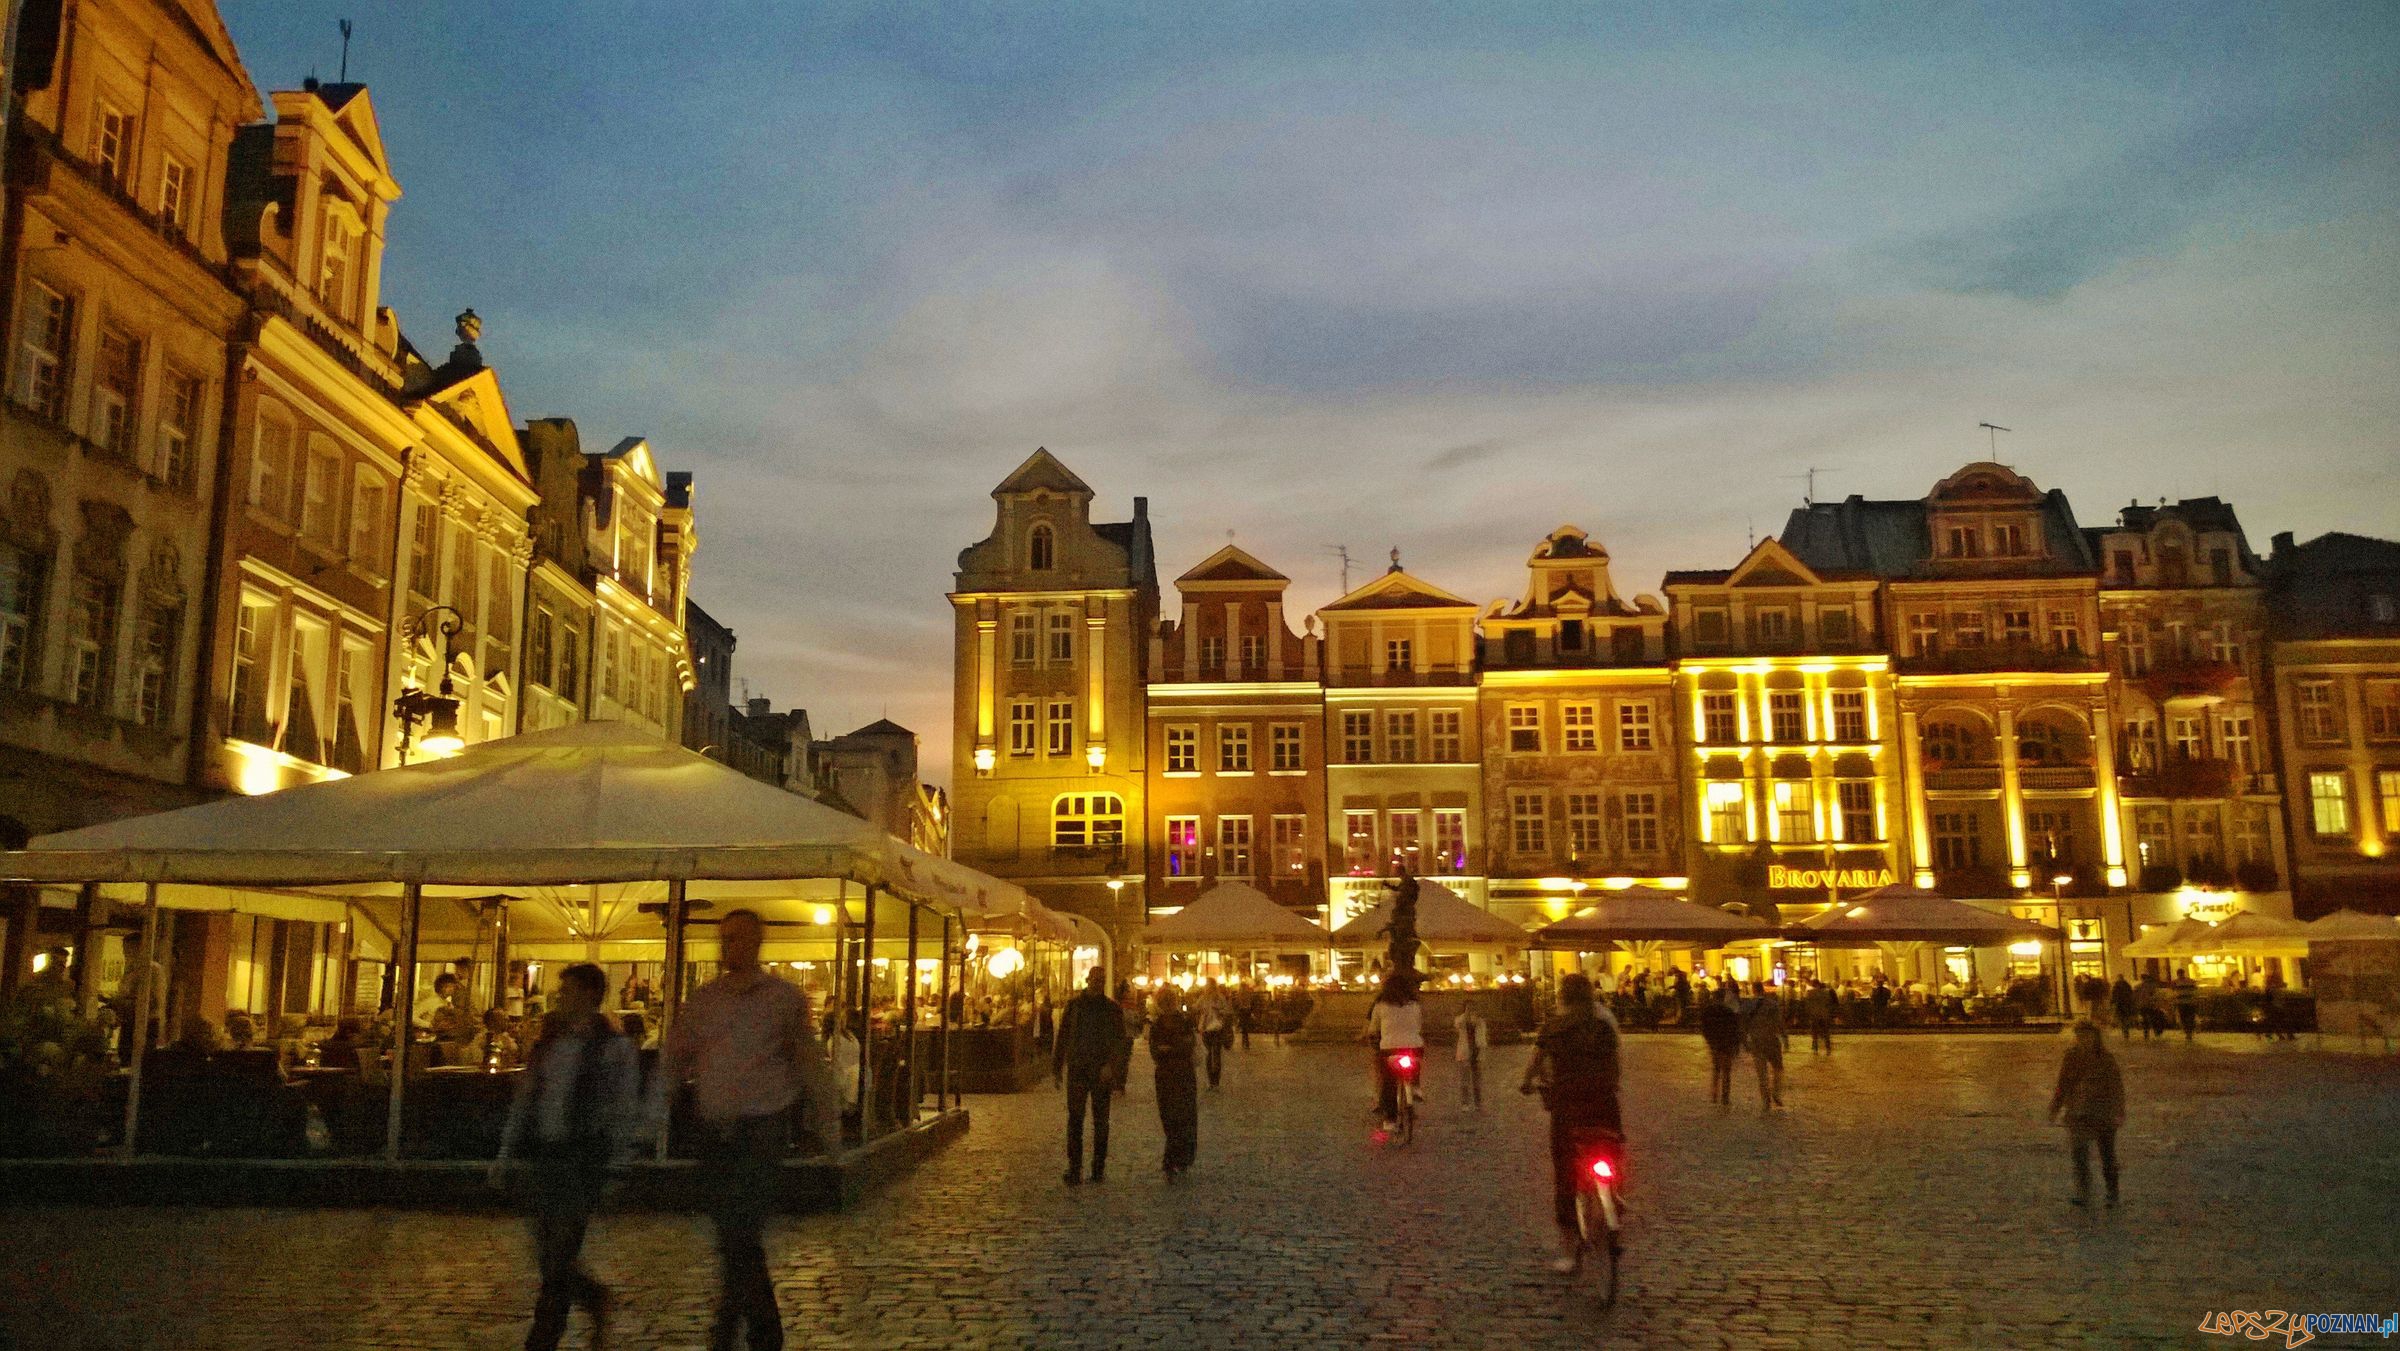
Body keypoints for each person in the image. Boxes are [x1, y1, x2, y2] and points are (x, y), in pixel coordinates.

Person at [653, 908, 841, 1351]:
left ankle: (734, 1334)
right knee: (734, 1235)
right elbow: (675, 1060)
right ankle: (759, 1329)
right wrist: (653, 1112)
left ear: (757, 942)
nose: (729, 946)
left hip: (762, 1129)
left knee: (742, 1229)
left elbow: (809, 1063)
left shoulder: (782, 1000)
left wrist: (826, 1123)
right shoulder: (704, 1001)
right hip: (714, 1130)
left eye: (738, 938)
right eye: (725, 937)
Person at [495, 962, 640, 1351]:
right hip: (547, 1156)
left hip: (582, 1160)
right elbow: (526, 1101)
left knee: (559, 1254)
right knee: (548, 1254)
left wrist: (617, 1166)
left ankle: (542, 1339)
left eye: (570, 991)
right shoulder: (549, 1045)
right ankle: (592, 1298)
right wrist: (507, 1154)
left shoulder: (613, 1049)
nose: (562, 999)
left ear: (592, 996)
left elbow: (624, 1109)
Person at [1519, 973, 1623, 1274]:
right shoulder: (1603, 1026)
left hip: (1569, 1106)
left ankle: (1568, 1247)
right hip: (1603, 1104)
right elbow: (1615, 1066)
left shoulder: (1554, 1028)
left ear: (1562, 996)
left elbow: (1535, 1062)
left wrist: (1526, 1082)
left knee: (1566, 1173)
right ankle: (1614, 1195)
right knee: (1611, 1149)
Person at [1052, 967, 1126, 1186]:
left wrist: (1111, 1066)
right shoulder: (1074, 1006)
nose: (1098, 983)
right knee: (1075, 1119)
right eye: (1095, 979)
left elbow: (1118, 1041)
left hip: (1100, 1070)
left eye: (1101, 980)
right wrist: (1057, 1067)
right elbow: (1064, 1036)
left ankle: (1098, 1168)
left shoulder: (1111, 1008)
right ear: (1088, 980)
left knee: (1101, 1121)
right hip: (1078, 1068)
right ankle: (1074, 1168)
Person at [2047, 1021, 2125, 1207]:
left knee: (2107, 1154)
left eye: (2087, 1036)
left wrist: (2118, 1111)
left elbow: (2116, 1088)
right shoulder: (2071, 1057)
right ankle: (2083, 1191)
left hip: (2102, 1112)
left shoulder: (2106, 1059)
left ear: (2095, 1037)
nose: (2084, 1040)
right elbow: (2063, 1084)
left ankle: (2112, 1193)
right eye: (2080, 1037)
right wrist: (2055, 1107)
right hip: (2078, 1112)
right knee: (2080, 1154)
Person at [1362, 971, 1425, 1134]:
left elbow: (1373, 1028)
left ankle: (1390, 1118)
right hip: (1414, 1045)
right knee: (1415, 1060)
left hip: (1390, 1048)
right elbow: (1418, 1026)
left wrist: (1372, 1036)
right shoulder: (1414, 1005)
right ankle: (1416, 1086)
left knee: (1389, 1081)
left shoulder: (1381, 1005)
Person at [1149, 991, 1200, 1178]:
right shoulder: (1157, 1025)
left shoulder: (1184, 1022)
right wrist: (1173, 1048)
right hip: (1165, 1076)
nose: (1168, 1004)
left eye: (1170, 1001)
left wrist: (1169, 1048)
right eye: (1165, 1001)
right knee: (1169, 1117)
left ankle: (1177, 1158)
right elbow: (1155, 1051)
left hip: (1183, 1075)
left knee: (1184, 1116)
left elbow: (1187, 1046)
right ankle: (1175, 1156)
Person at [1697, 981, 1742, 1106]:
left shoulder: (1708, 1011)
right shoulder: (1728, 1012)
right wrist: (1736, 1045)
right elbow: (1735, 1029)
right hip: (1726, 1044)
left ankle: (1714, 1094)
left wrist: (1709, 1041)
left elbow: (1704, 1028)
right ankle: (1725, 1096)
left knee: (1716, 1069)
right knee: (1726, 1072)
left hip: (1715, 1043)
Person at [1744, 982, 1786, 1111]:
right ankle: (1776, 1093)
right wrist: (1785, 1038)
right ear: (1763, 990)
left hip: (1756, 1041)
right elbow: (1779, 1022)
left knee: (1762, 1073)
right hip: (1771, 1040)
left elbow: (1743, 1024)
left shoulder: (1748, 1005)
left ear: (1753, 990)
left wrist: (1745, 1042)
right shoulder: (1772, 1004)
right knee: (1778, 1068)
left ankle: (1765, 1100)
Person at [1197, 981, 1233, 1090]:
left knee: (1216, 1054)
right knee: (1209, 1055)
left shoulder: (1219, 998)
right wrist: (1202, 1010)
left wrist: (1218, 1011)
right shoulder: (1203, 998)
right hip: (1207, 1028)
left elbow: (1227, 1011)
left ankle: (1215, 1081)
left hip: (1217, 1028)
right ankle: (1211, 1081)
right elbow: (1196, 1007)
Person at [1454, 1002, 1489, 1109]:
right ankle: (1465, 1103)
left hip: (1476, 1052)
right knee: (1465, 1080)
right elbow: (1458, 1024)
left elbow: (1482, 1038)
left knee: (1477, 1081)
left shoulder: (1480, 1022)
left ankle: (1478, 1103)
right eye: (1468, 1008)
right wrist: (1466, 1015)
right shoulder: (1460, 1020)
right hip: (1464, 1052)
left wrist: (1481, 1050)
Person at [1803, 979, 1836, 1055]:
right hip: (1824, 1014)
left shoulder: (1809, 993)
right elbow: (1829, 1003)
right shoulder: (1826, 992)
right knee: (1826, 1032)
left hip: (1814, 1015)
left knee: (1814, 1033)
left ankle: (1815, 1048)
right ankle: (1828, 1048)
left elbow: (1807, 1006)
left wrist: (1809, 1014)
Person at [2171, 968, 2200, 1042]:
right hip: (2190, 1002)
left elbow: (2173, 992)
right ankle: (2190, 1032)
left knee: (2184, 1018)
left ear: (2177, 974)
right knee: (2190, 1017)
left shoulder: (2175, 982)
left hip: (2181, 1003)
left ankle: (2188, 1032)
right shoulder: (2191, 981)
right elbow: (2196, 991)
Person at [2109, 976, 2137, 1043]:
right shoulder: (2127, 985)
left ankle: (2125, 1031)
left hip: (2119, 1004)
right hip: (2127, 1004)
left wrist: (2112, 1002)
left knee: (2121, 1018)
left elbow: (2114, 995)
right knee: (2126, 1017)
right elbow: (2131, 994)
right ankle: (2126, 1030)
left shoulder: (2116, 986)